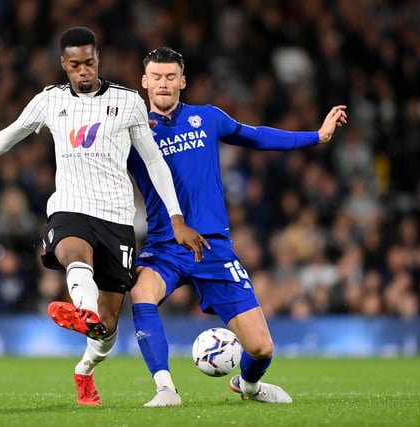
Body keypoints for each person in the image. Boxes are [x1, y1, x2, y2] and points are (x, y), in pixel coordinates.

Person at [0, 29, 207, 405]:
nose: (83, 71)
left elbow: (153, 161)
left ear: (98, 58)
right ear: (63, 65)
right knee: (72, 251)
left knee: (109, 328)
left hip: (117, 218)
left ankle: (84, 369)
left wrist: (176, 217)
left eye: (89, 62)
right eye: (74, 65)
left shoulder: (128, 101)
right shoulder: (49, 101)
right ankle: (82, 310)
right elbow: (4, 138)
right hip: (70, 207)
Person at [127, 46, 348, 407]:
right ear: (144, 81)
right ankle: (165, 389)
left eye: (170, 77)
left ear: (182, 81)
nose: (163, 84)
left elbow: (257, 135)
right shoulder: (131, 134)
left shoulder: (208, 117)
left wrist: (316, 136)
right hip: (165, 244)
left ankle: (248, 386)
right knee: (141, 293)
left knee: (261, 348)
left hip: (213, 247)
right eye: (156, 77)